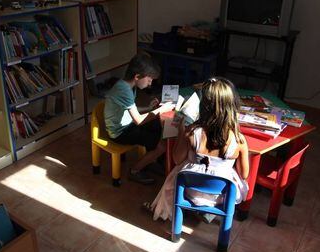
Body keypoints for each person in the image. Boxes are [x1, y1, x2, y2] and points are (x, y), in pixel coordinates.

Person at [145, 77, 249, 221]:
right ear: (232, 107)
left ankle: (167, 210)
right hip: (222, 194)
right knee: (230, 175)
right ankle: (209, 211)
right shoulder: (239, 140)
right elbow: (244, 174)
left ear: (203, 106)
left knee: (179, 169)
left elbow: (177, 159)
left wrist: (182, 132)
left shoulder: (192, 132)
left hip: (190, 189)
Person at [104, 53, 174, 185]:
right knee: (161, 145)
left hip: (126, 124)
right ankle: (134, 171)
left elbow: (131, 109)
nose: (150, 83)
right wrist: (160, 110)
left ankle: (151, 160)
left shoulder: (129, 86)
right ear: (137, 76)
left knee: (158, 127)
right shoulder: (124, 90)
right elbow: (139, 121)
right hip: (119, 133)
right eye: (149, 80)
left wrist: (148, 107)